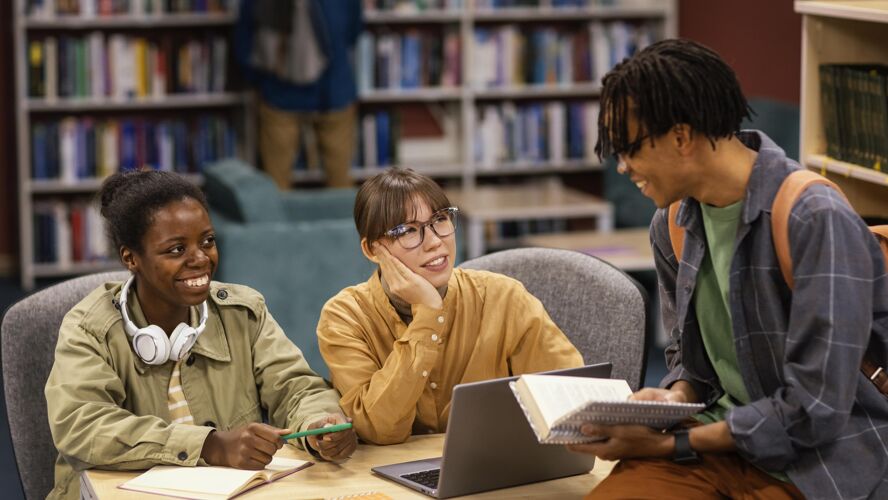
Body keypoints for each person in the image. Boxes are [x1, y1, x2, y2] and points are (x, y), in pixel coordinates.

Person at [567, 38, 888, 499]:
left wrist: (668, 444)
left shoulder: (814, 218)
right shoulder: (672, 223)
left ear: (680, 138)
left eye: (629, 149)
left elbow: (814, 411)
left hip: (819, 465)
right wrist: (674, 398)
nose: (622, 167)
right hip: (712, 448)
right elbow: (688, 358)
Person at [44, 171, 357, 500]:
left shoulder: (242, 311)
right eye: (176, 249)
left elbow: (297, 387)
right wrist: (210, 445)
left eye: (207, 241)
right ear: (130, 258)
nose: (200, 259)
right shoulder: (89, 329)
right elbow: (81, 425)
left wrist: (319, 426)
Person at [316, 168, 584, 445]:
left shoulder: (504, 297)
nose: (434, 242)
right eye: (408, 230)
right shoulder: (344, 317)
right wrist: (427, 316)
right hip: (387, 479)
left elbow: (570, 396)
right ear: (373, 250)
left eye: (440, 219)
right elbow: (378, 430)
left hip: (495, 468)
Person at [235, 0, 363, 189]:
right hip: (330, 92)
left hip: (284, 93)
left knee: (276, 186)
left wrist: (262, 81)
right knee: (340, 184)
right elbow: (353, 33)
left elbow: (245, 44)